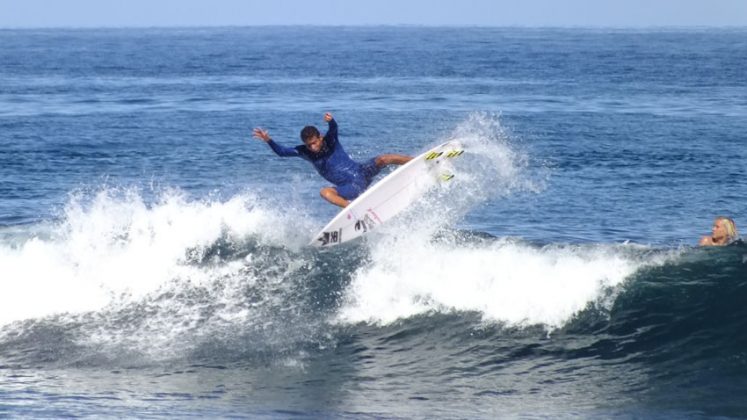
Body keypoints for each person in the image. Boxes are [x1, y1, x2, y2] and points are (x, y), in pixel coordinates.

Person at [252, 113, 412, 207]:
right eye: (308, 145)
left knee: (384, 158)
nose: (312, 147)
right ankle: (351, 209)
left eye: (314, 142)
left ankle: (419, 160)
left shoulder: (330, 140)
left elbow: (334, 129)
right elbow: (282, 152)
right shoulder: (303, 151)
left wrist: (331, 121)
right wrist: (269, 140)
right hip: (349, 187)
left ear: (319, 138)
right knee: (325, 192)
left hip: (361, 172)